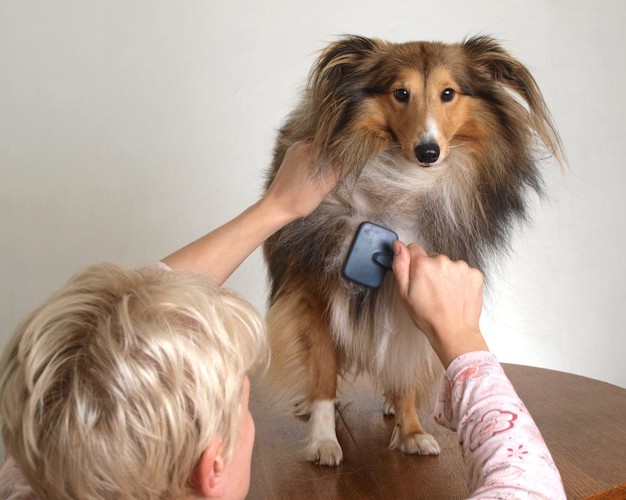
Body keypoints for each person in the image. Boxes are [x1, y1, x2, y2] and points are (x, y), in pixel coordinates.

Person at [0, 140, 565, 499]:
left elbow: (85, 348)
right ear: (212, 467)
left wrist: (278, 207)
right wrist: (464, 341)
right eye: (239, 402)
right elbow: (530, 487)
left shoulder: (32, 468)